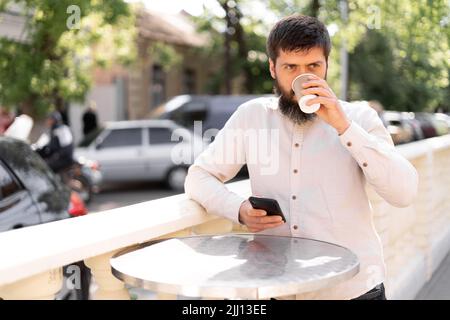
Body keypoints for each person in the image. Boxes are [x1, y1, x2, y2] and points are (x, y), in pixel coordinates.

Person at [184, 15, 418, 300]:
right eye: (290, 67)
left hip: (353, 289)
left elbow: (404, 193)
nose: (301, 78)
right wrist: (239, 209)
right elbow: (198, 176)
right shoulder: (252, 117)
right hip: (279, 289)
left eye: (313, 66)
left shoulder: (358, 117)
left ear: (327, 66)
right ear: (273, 67)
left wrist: (343, 127)